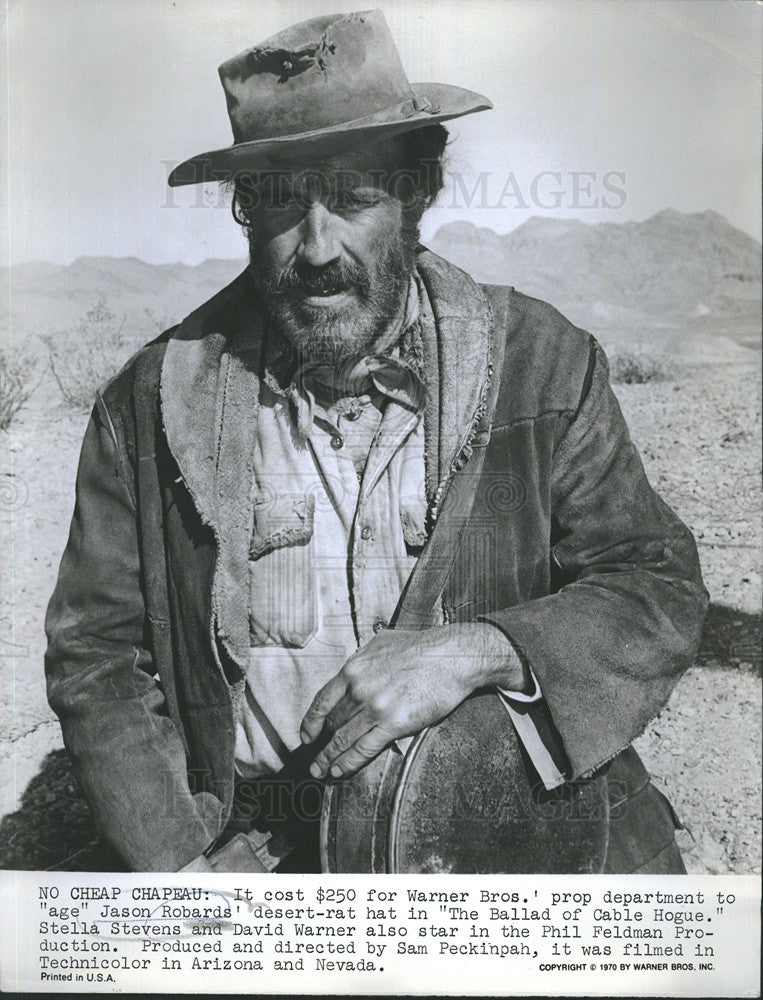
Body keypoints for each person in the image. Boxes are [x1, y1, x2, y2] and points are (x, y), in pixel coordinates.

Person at [44, 10, 708, 873]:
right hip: (269, 851)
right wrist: (183, 870)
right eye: (280, 203)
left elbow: (653, 586)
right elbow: (99, 656)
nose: (317, 248)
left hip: (512, 835)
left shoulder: (539, 366)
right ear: (245, 215)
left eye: (354, 196)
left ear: (417, 190)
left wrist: (480, 648)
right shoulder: (153, 402)